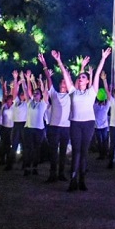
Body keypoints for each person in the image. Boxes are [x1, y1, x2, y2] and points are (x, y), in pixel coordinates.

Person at [54, 47, 108, 191]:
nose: (80, 78)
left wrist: (103, 58)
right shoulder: (73, 91)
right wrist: (59, 60)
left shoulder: (92, 92)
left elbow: (96, 75)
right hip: (75, 124)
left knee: (84, 152)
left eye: (83, 77)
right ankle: (73, 180)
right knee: (76, 151)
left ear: (87, 81)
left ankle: (82, 180)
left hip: (89, 124)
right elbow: (65, 75)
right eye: (79, 77)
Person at [41, 53, 71, 182]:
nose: (65, 83)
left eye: (66, 82)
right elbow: (49, 78)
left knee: (63, 152)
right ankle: (52, 174)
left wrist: (67, 74)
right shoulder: (54, 94)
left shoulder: (71, 95)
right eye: (63, 82)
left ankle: (61, 173)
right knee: (54, 152)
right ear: (59, 85)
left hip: (66, 128)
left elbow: (70, 81)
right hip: (54, 127)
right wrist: (44, 65)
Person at [23, 71, 48, 175]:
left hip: (38, 129)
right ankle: (27, 168)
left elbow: (45, 91)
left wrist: (42, 82)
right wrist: (27, 79)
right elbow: (26, 90)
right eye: (34, 93)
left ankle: (35, 167)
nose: (34, 94)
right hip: (28, 128)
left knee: (36, 150)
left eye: (37, 93)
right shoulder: (29, 102)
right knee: (28, 149)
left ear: (40, 95)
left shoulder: (43, 104)